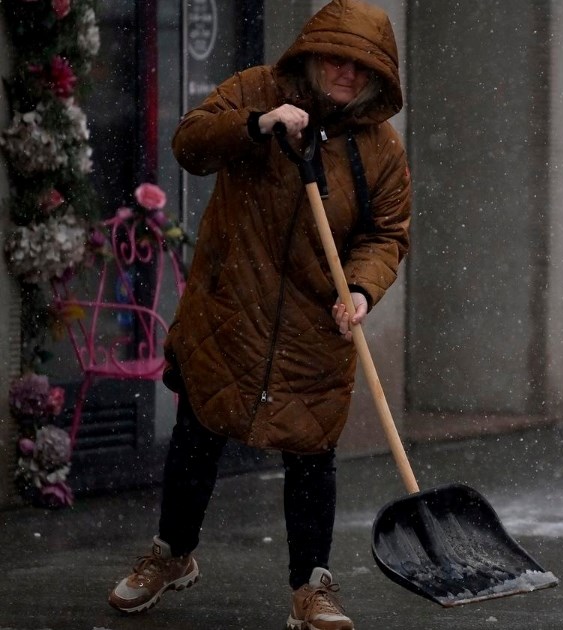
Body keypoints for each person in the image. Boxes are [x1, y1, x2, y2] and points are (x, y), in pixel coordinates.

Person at [106, 2, 410, 628]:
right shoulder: (255, 88)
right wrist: (256, 124)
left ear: (377, 74)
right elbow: (189, 142)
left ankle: (312, 589)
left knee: (310, 454)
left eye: (359, 65)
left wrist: (360, 289)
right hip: (231, 309)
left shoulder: (379, 149)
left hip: (315, 324)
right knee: (198, 435)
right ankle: (171, 554)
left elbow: (387, 233)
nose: (345, 73)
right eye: (335, 58)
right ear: (311, 52)